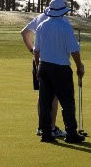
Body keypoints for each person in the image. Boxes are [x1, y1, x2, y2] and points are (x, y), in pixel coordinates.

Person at [33, 0, 86, 143]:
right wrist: (79, 66)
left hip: (44, 66)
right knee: (67, 102)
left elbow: (36, 51)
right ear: (63, 11)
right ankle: (71, 133)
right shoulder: (65, 27)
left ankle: (46, 133)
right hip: (61, 68)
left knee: (45, 102)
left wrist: (38, 68)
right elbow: (74, 50)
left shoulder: (41, 26)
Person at [21, 8, 65, 138]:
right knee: (54, 96)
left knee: (43, 95)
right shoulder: (60, 20)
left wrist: (33, 51)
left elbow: (24, 33)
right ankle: (50, 128)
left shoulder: (40, 17)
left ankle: (42, 127)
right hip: (53, 62)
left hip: (38, 60)